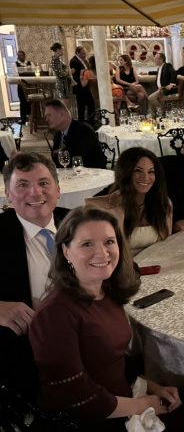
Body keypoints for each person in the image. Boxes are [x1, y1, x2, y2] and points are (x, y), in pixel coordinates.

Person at [28, 206, 184, 431]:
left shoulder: (107, 293)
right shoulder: (55, 314)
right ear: (65, 251)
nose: (102, 253)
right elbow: (74, 397)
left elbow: (112, 360)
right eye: (87, 244)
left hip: (121, 397)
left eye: (109, 242)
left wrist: (152, 386)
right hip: (90, 419)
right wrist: (138, 405)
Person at [0, 153, 68, 401]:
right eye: (22, 185)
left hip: (90, 342)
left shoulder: (77, 221)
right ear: (8, 194)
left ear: (58, 189)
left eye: (43, 183)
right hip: (27, 360)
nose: (35, 193)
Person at [86, 148, 172, 256]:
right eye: (137, 170)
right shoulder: (110, 206)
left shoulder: (163, 203)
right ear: (126, 173)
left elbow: (166, 245)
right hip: (121, 269)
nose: (145, 177)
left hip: (156, 267)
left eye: (151, 171)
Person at [45, 99, 106, 169]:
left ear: (61, 114)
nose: (47, 119)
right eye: (46, 117)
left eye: (49, 115)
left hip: (91, 175)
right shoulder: (58, 135)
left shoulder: (84, 130)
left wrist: (61, 152)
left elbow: (80, 159)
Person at [70, 46, 95, 123]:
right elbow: (80, 72)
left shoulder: (85, 60)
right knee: (81, 106)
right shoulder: (74, 61)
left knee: (90, 104)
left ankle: (90, 120)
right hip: (79, 86)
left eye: (85, 53)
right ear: (77, 53)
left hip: (86, 85)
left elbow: (88, 69)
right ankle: (82, 122)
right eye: (83, 53)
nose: (85, 55)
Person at [15, 50, 33, 122]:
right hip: (21, 85)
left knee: (30, 101)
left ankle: (31, 118)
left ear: (24, 56)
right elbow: (16, 75)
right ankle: (23, 119)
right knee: (23, 102)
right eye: (19, 55)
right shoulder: (15, 64)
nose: (20, 57)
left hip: (30, 85)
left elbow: (33, 72)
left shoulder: (30, 63)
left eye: (21, 55)